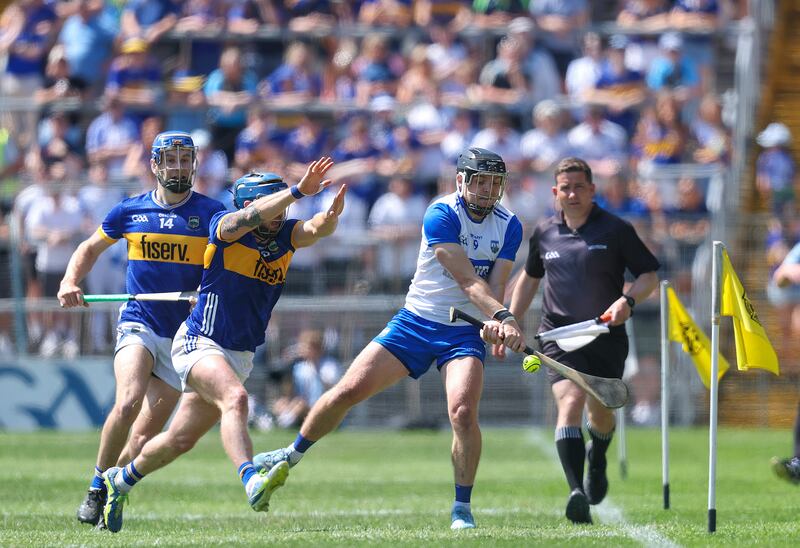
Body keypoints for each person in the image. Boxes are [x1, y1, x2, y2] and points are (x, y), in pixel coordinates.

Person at [253, 148, 527, 530]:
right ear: (462, 181)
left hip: (462, 331)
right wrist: (504, 316)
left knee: (463, 413)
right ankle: (291, 454)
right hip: (416, 322)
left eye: (494, 182)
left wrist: (493, 322)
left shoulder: (509, 224)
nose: (487, 189)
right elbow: (467, 279)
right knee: (348, 390)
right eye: (480, 181)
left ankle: (461, 508)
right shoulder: (441, 213)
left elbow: (494, 285)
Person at [100, 158, 346, 533]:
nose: (282, 212)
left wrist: (330, 215)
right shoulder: (225, 226)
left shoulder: (285, 235)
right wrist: (295, 191)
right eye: (273, 203)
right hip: (199, 342)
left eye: (284, 205)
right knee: (237, 399)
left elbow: (315, 229)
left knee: (179, 440)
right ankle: (251, 480)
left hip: (239, 354)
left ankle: (119, 481)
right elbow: (240, 223)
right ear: (249, 206)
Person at [59, 131, 227, 527]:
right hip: (139, 321)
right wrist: (70, 281)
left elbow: (224, 269)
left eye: (185, 160)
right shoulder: (129, 211)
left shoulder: (212, 213)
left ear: (194, 164)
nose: (178, 167)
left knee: (140, 439)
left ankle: (114, 490)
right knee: (129, 400)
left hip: (184, 336)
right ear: (154, 165)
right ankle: (96, 484)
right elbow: (88, 249)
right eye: (170, 160)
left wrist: (205, 291)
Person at [507, 157, 659, 524]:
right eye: (565, 188)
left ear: (592, 190)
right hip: (558, 336)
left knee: (601, 414)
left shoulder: (616, 229)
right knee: (569, 402)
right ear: (555, 192)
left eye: (579, 187)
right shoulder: (544, 232)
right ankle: (576, 492)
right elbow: (529, 279)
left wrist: (628, 300)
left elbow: (649, 275)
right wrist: (509, 319)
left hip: (604, 335)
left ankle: (599, 456)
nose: (572, 193)